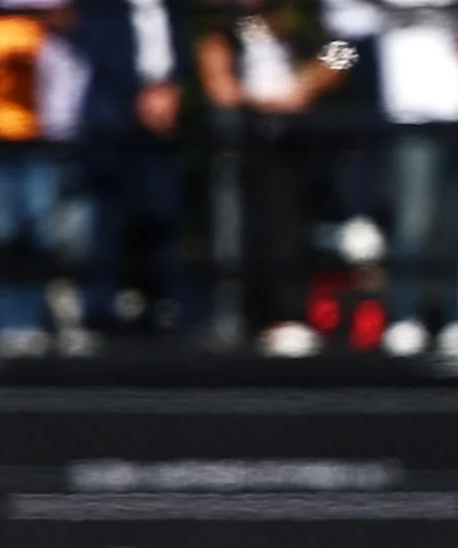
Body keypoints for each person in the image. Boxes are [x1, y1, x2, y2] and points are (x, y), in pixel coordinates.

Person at [197, 0, 339, 344]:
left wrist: (308, 84)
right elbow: (219, 84)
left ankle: (287, 314)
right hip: (246, 138)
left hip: (293, 139)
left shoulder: (294, 21)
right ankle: (240, 314)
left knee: (289, 225)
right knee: (242, 227)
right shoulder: (221, 27)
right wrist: (256, 100)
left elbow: (343, 53)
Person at [0, 0, 73, 354]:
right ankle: (6, 322)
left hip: (45, 132)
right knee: (1, 232)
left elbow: (71, 27)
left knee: (42, 231)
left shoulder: (42, 24)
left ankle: (34, 320)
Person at [72, 0, 184, 334]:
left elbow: (338, 48)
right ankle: (105, 310)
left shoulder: (325, 29)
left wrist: (311, 84)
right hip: (117, 119)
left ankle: (171, 305)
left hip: (307, 109)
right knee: (111, 214)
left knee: (164, 209)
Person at [378, 0, 458, 347]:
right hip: (409, 112)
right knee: (412, 223)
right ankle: (404, 315)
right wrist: (317, 81)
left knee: (453, 224)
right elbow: (344, 43)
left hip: (456, 110)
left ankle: (454, 316)